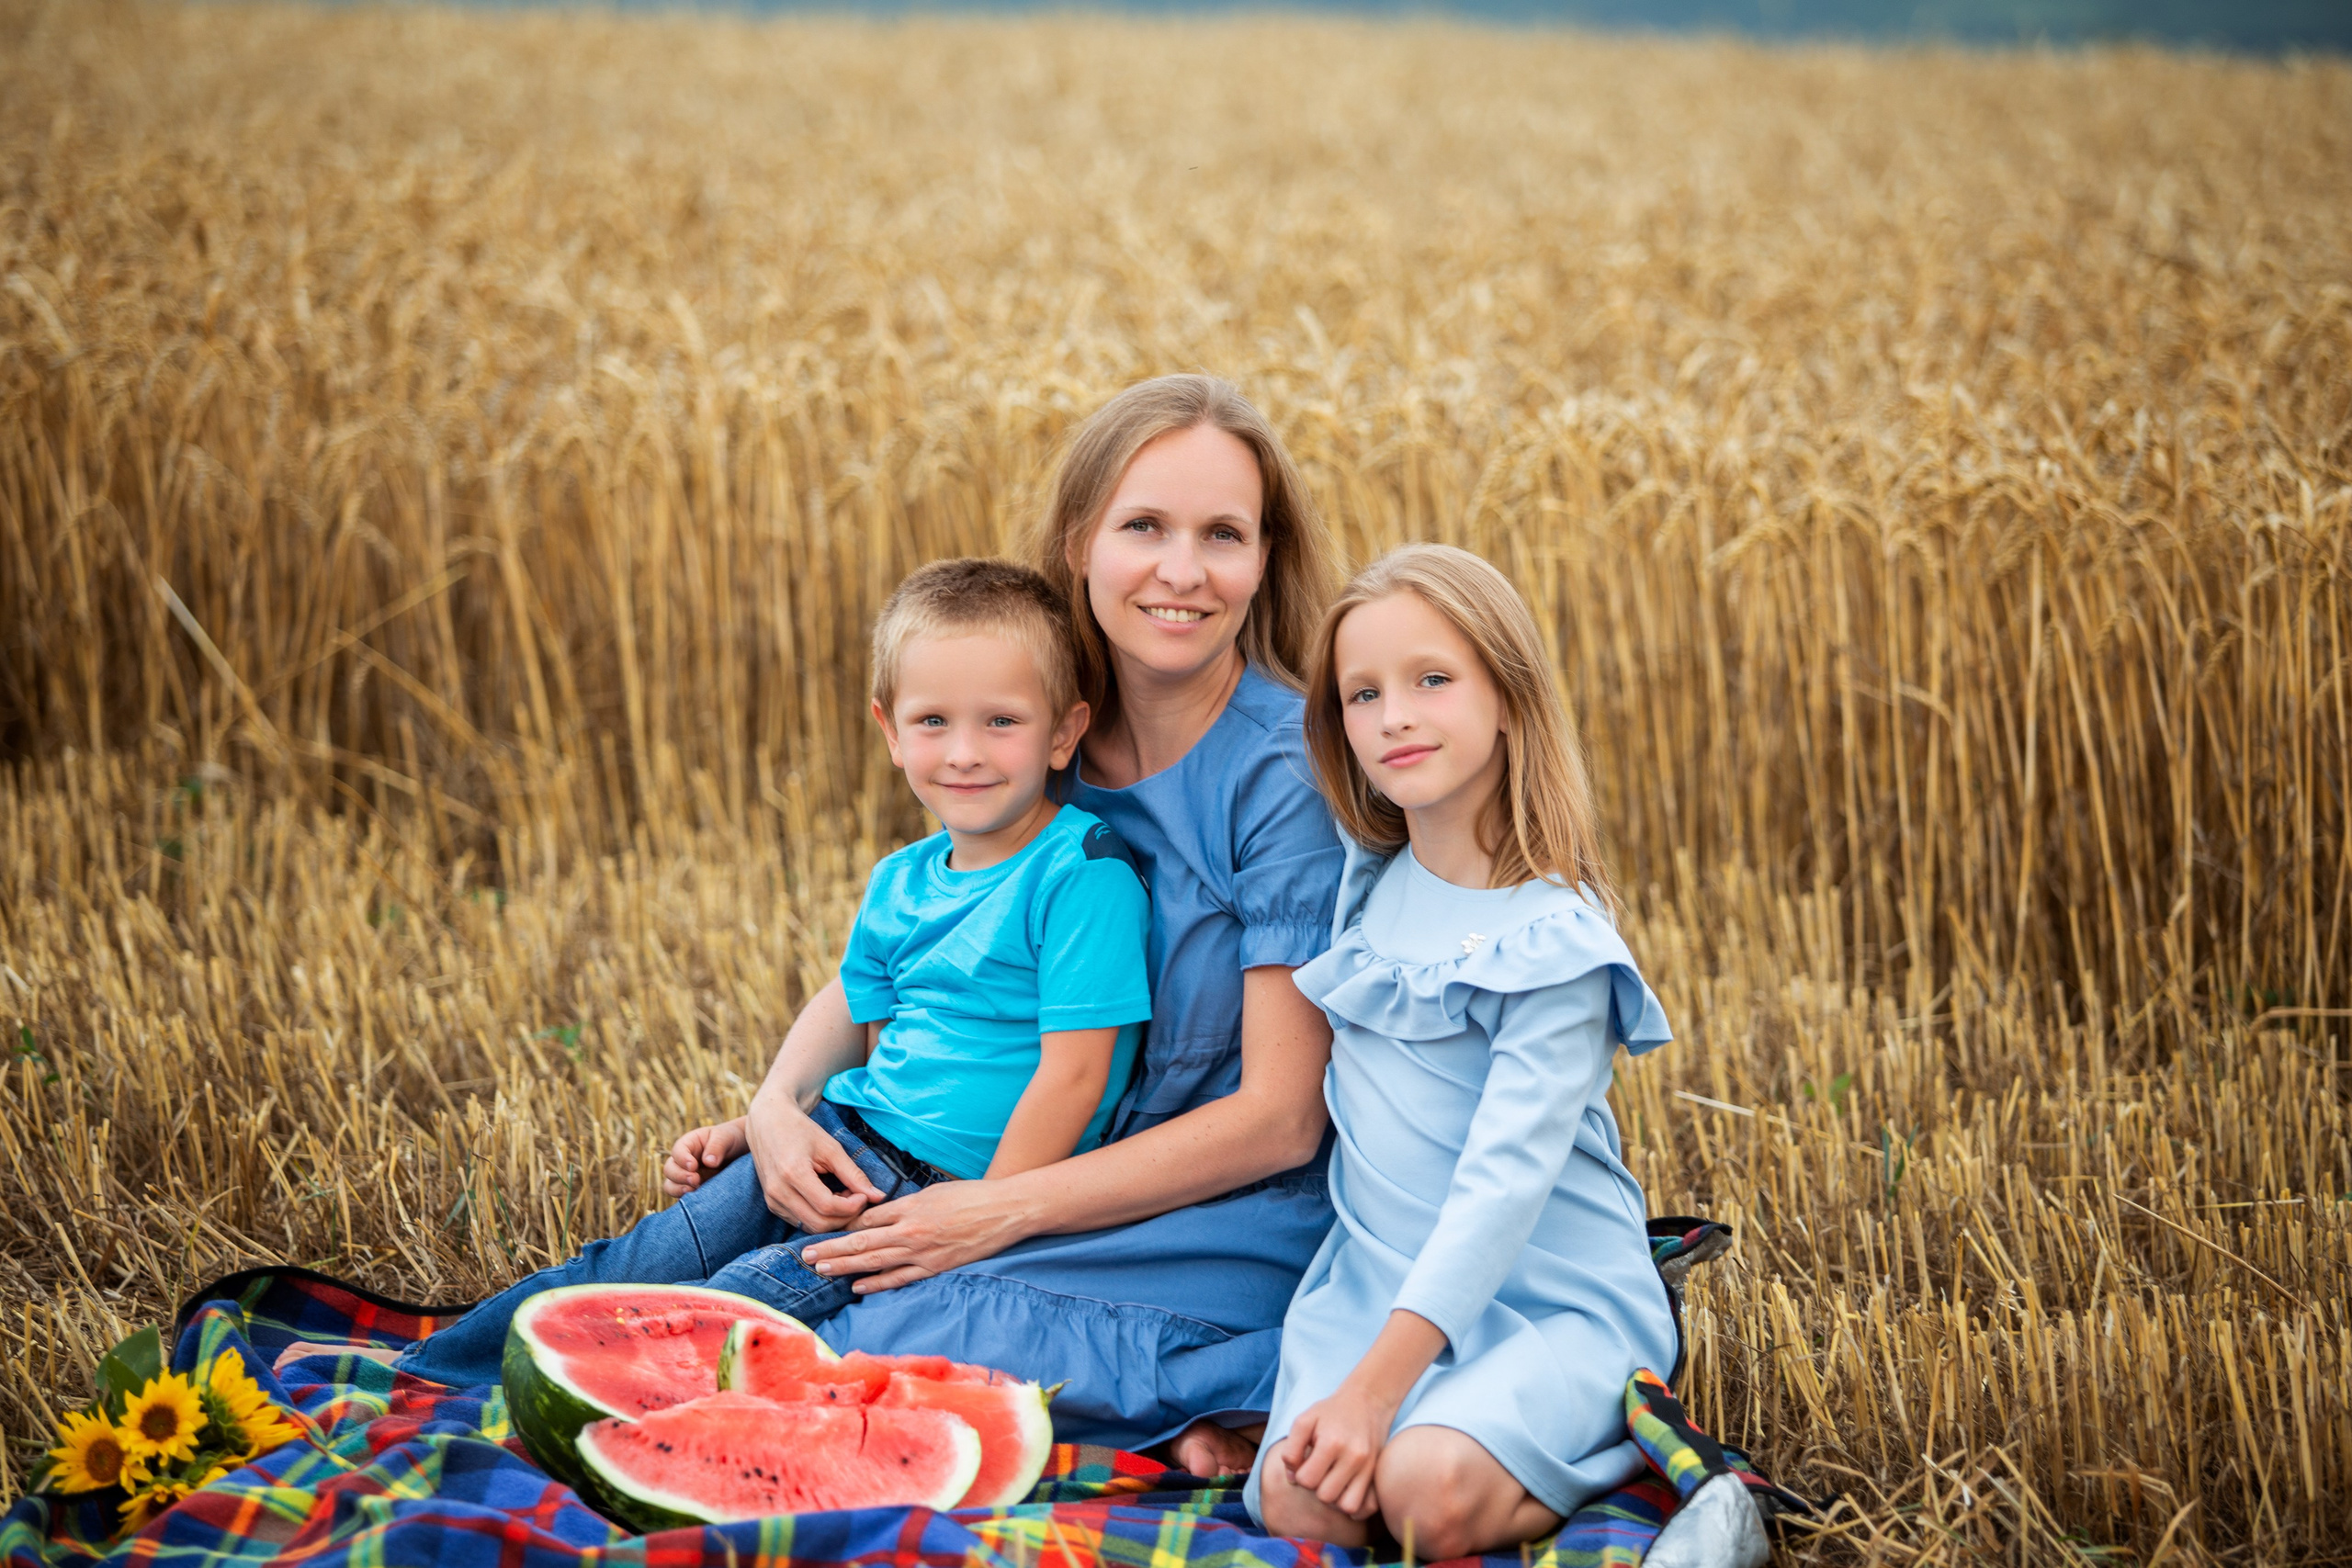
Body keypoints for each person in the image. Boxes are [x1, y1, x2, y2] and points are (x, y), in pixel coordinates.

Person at [669, 374, 1346, 1473]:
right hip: (1049, 1172)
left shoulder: (1283, 776)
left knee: (831, 1343)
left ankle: (1221, 1390)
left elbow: (1278, 1122)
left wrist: (997, 1213)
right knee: (725, 1266)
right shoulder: (1034, 726)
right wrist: (774, 1106)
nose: (1182, 570)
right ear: (1080, 540)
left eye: (1223, 533)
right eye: (1144, 527)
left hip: (1223, 1206)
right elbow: (901, 958)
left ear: (1264, 557)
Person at [358, 558, 1156, 1383]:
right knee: (629, 1264)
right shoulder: (904, 878)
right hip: (843, 1142)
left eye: (1001, 721)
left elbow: (1076, 1074)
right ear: (889, 731)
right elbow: (864, 1013)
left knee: (721, 1318)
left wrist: (980, 1217)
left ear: (1064, 732)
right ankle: (416, 1381)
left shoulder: (1080, 872)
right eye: (932, 722)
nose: (963, 752)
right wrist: (766, 1116)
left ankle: (567, 1419)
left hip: (949, 1193)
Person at [1245, 543, 1678, 1558]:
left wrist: (1372, 1394)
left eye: (1431, 680)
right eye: (1361, 694)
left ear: (1508, 700)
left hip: (1543, 1291)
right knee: (1301, 1505)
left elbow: (1499, 1192)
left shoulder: (1553, 942)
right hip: (1374, 1286)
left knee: (1424, 1495)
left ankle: (1622, 1453)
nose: (1392, 715)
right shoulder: (1364, 883)